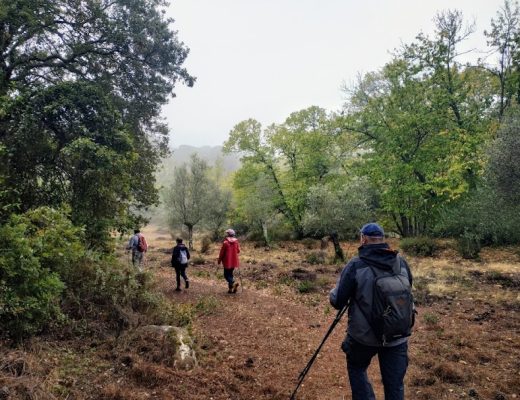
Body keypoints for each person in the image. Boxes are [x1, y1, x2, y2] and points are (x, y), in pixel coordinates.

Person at [329, 223, 413, 400]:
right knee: (395, 385)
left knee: (357, 368)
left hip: (363, 337)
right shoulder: (401, 263)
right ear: (383, 239)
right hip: (397, 336)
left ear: (363, 239)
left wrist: (332, 292)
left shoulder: (355, 265)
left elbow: (337, 301)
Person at [217, 228, 240, 293]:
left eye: (227, 233)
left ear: (228, 234)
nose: (226, 234)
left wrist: (219, 260)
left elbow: (222, 253)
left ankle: (233, 283)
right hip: (234, 261)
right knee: (230, 274)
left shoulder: (225, 243)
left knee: (226, 275)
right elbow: (238, 251)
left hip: (227, 262)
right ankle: (230, 289)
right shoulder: (236, 242)